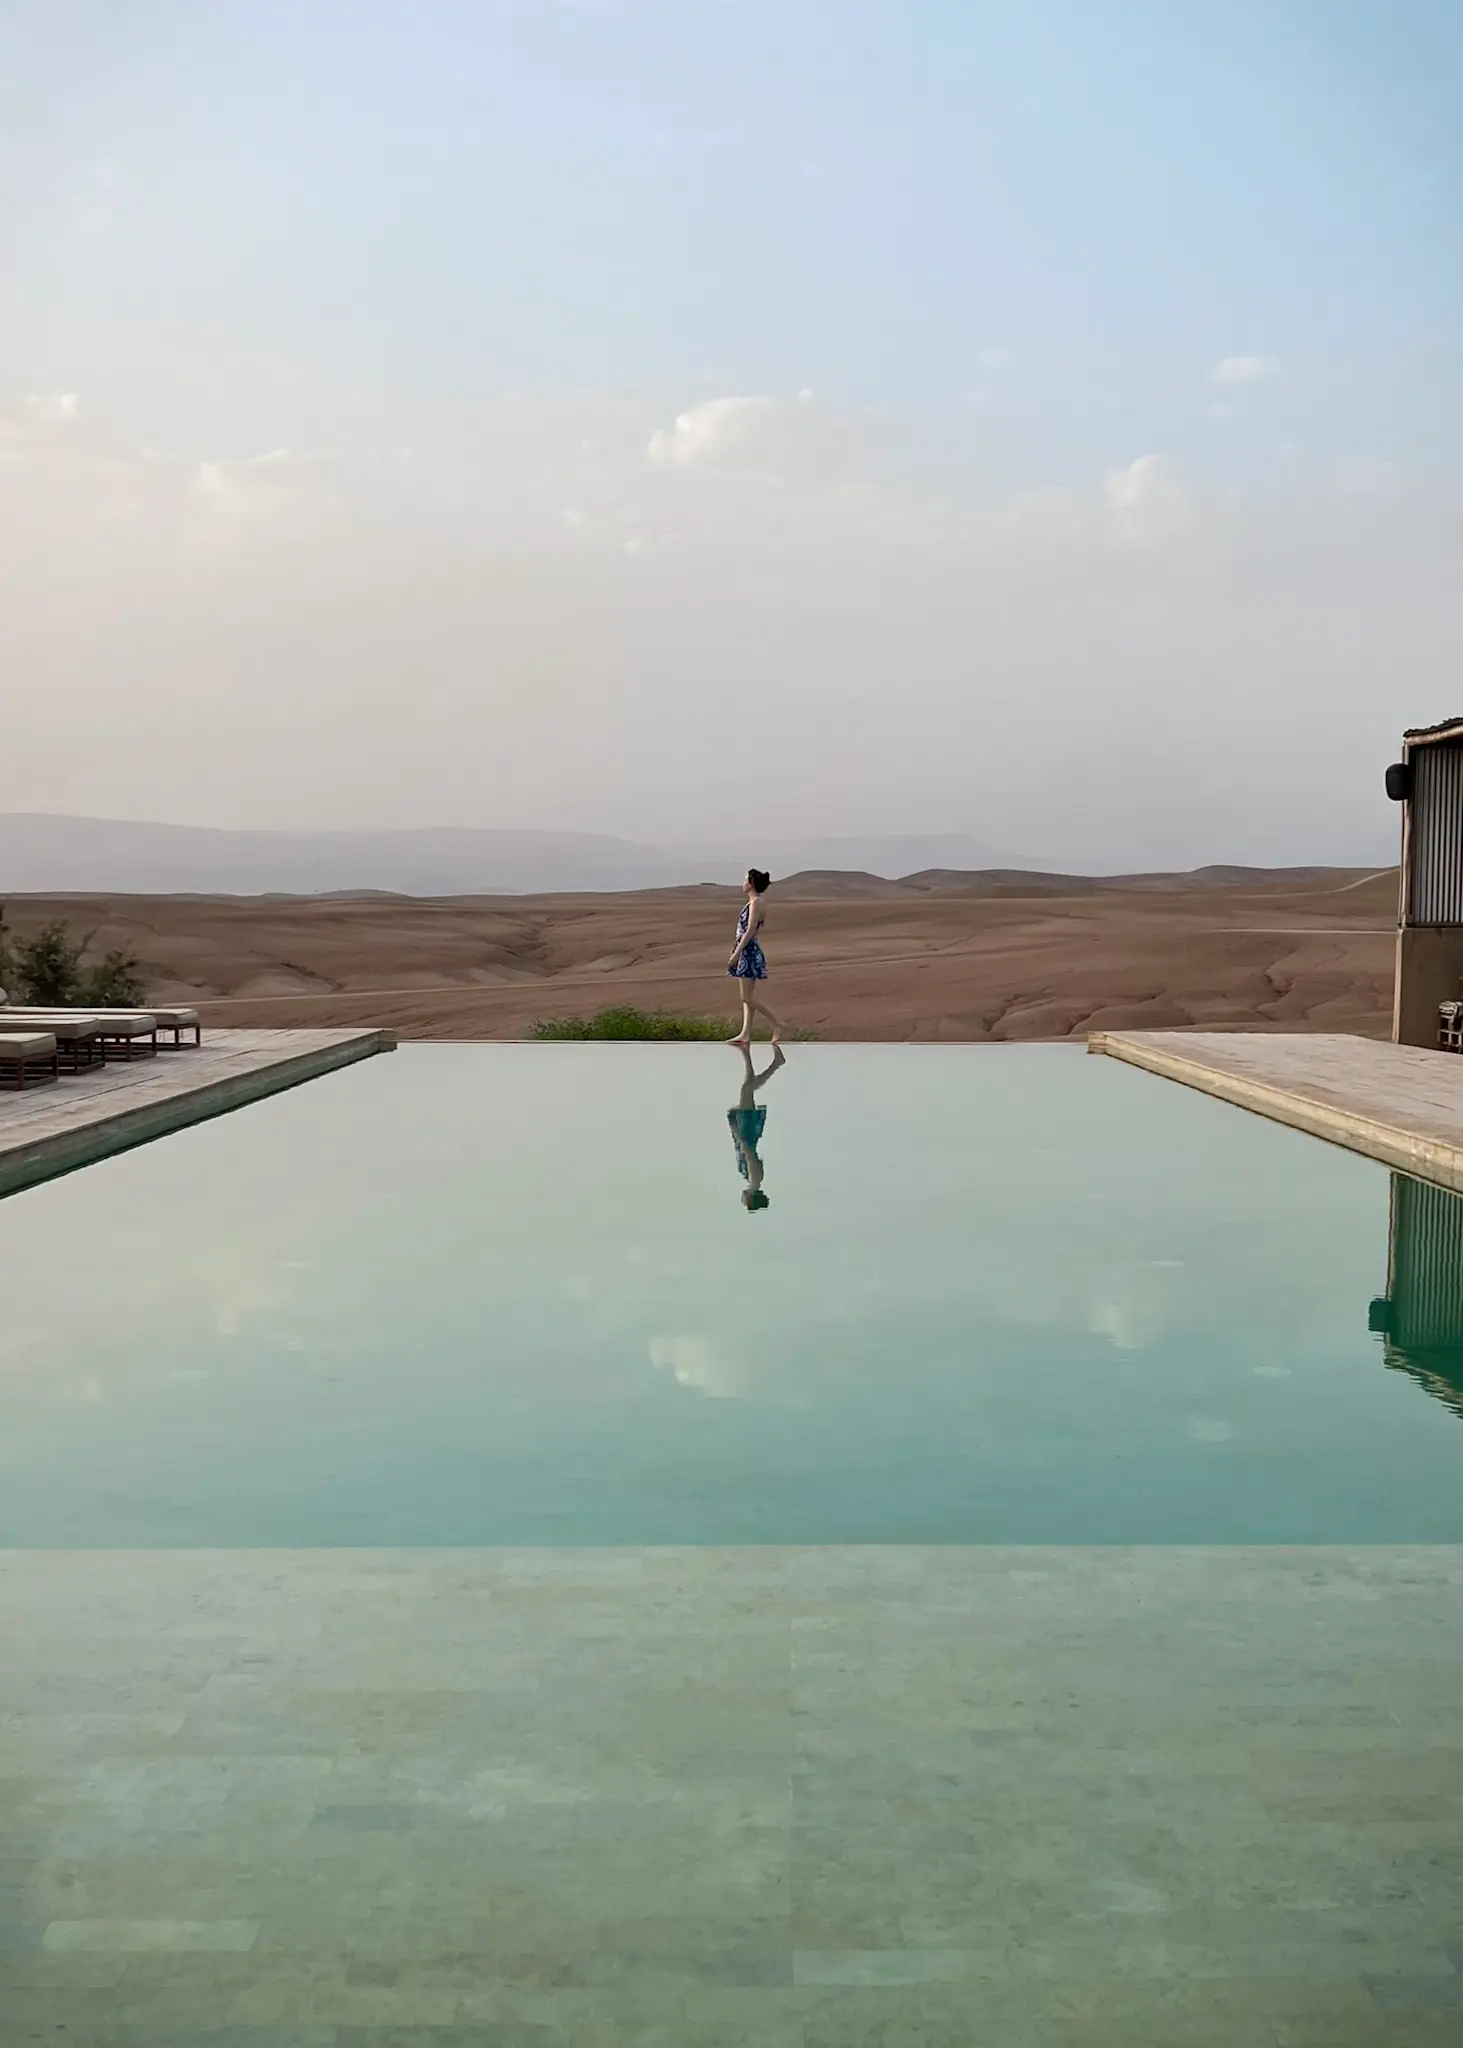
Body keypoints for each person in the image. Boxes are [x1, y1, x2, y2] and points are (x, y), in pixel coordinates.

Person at [726, 867, 786, 1045]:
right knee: (747, 996)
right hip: (746, 949)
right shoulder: (754, 902)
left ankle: (777, 1023)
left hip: (748, 951)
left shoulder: (756, 903)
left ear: (751, 883)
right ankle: (745, 1034)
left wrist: (736, 954)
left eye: (745, 880)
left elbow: (750, 930)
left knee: (747, 997)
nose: (743, 883)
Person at [727, 1040, 785, 1211]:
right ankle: (776, 1064)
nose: (742, 1200)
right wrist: (736, 1130)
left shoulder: (755, 1180)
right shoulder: (755, 1180)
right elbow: (748, 1151)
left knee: (747, 1086)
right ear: (751, 1199)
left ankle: (747, 1055)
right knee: (746, 1090)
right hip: (747, 1132)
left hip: (748, 1133)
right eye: (745, 1203)